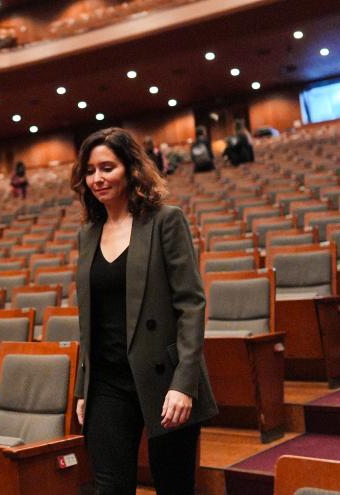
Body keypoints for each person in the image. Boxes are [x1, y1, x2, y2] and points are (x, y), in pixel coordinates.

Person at [69, 127, 218, 495]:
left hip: (164, 378)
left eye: (107, 167)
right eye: (90, 171)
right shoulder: (88, 234)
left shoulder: (165, 221)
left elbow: (191, 304)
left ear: (130, 168)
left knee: (173, 485)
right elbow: (89, 321)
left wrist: (184, 384)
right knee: (109, 486)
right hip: (107, 381)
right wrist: (82, 388)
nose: (97, 179)